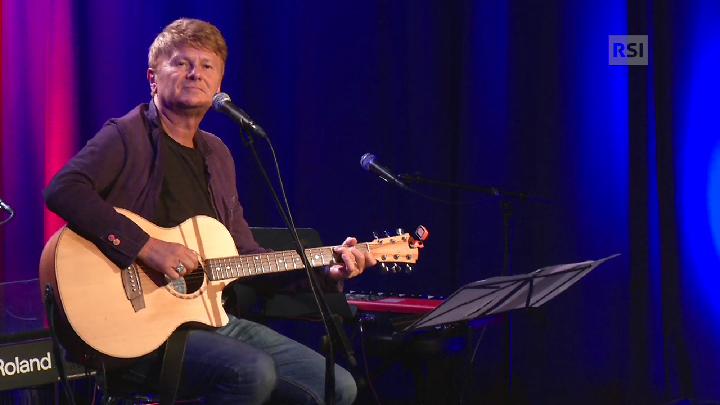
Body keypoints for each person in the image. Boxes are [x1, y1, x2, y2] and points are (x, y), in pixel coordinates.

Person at [44, 18, 375, 404]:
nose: (194, 73)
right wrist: (148, 247)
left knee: (337, 387)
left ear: (218, 85)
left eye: (206, 66)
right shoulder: (127, 135)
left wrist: (327, 270)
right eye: (181, 63)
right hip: (137, 331)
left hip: (211, 319)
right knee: (251, 372)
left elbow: (246, 257)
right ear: (153, 78)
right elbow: (63, 190)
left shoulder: (217, 155)